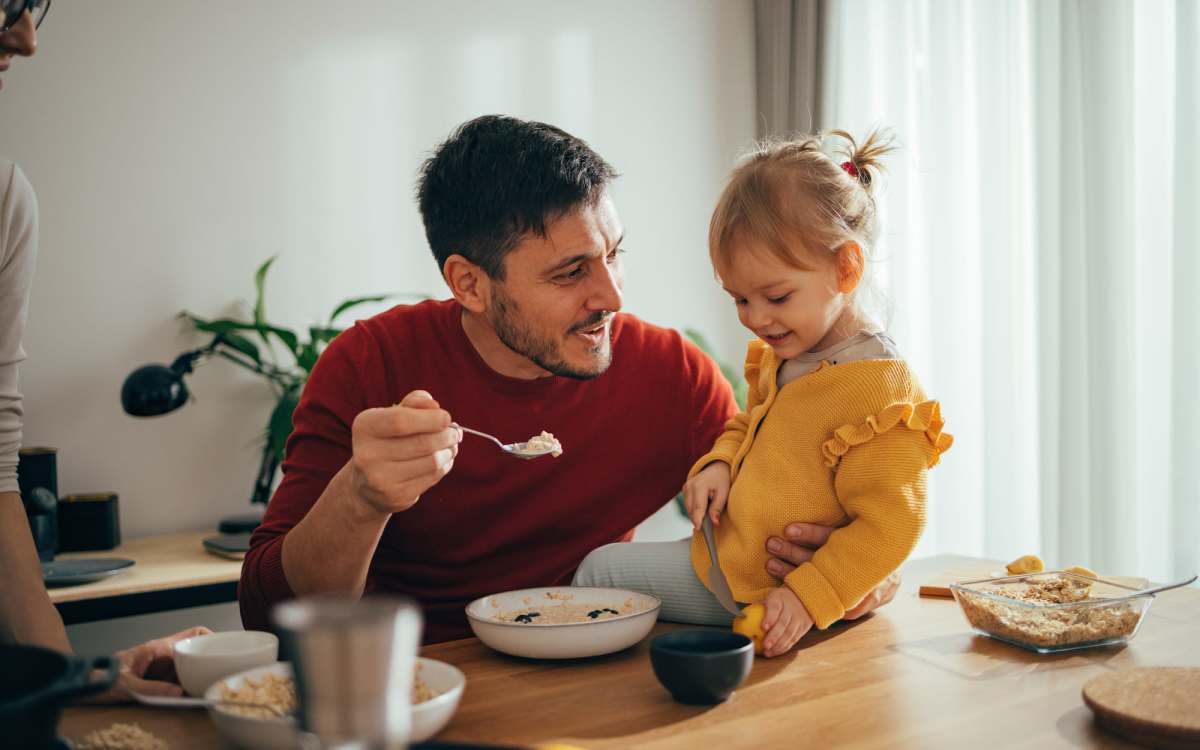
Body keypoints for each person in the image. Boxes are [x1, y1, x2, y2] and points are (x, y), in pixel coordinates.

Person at [240, 115, 902, 642]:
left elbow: (813, 509)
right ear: (469, 283)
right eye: (570, 272)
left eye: (614, 254)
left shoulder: (671, 376)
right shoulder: (371, 366)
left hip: (599, 687)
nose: (611, 296)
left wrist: (857, 574)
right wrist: (362, 497)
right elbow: (267, 613)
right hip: (414, 690)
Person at [573, 131, 952, 657]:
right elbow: (749, 426)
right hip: (732, 558)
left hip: (763, 587)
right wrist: (720, 464)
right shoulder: (788, 356)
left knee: (599, 571)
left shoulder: (880, 392)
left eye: (774, 296)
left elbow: (893, 524)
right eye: (740, 300)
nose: (755, 318)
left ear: (846, 268)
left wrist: (805, 598)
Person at [0, 0, 210, 700]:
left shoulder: (5, 201)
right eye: (5, 5)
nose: (26, 38)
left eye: (30, 7)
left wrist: (75, 685)